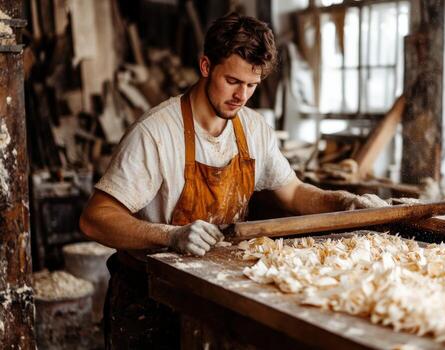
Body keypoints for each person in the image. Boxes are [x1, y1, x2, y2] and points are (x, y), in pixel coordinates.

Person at [79, 12, 388, 349]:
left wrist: (345, 202)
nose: (241, 96)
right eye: (232, 81)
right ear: (206, 66)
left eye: (252, 85)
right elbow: (94, 220)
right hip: (149, 297)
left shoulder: (253, 129)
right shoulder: (156, 134)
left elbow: (294, 192)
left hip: (214, 288)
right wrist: (171, 235)